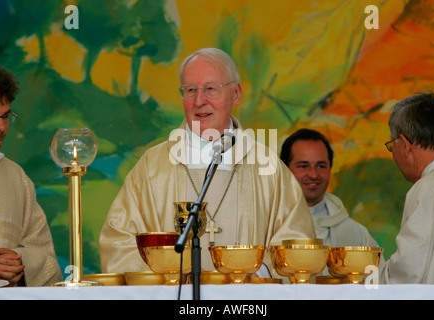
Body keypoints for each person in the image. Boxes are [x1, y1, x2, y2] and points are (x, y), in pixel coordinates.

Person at [99, 48, 316, 277]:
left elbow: (299, 247)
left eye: (211, 89)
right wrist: (172, 277)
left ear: (236, 94)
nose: (199, 101)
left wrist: (258, 274)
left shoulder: (269, 169)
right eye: (190, 90)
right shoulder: (151, 168)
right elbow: (118, 245)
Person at [0, 67, 62, 286]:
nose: (2, 127)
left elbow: (43, 254)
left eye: (6, 116)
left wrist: (17, 261)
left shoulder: (16, 177)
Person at [380, 92, 434, 284]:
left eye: (392, 144)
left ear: (406, 145)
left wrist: (370, 278)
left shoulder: (428, 189)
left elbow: (408, 274)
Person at [280, 129, 379, 248]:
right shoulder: (265, 225)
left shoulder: (355, 234)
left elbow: (375, 267)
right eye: (303, 166)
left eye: (321, 166)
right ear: (284, 170)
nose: (313, 175)